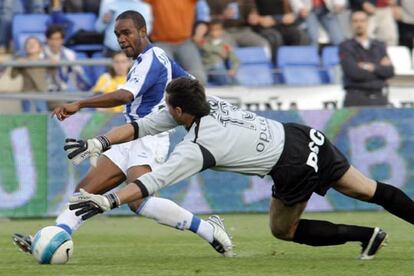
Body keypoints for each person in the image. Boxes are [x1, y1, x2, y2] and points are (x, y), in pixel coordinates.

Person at [67, 77, 414, 260]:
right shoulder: (210, 102)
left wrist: (108, 201)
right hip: (306, 137)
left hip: (291, 166)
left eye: (168, 107)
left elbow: (152, 182)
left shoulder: (200, 147)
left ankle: (365, 236)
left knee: (283, 230)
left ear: (177, 110)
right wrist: (100, 143)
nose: (165, 111)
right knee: (368, 189)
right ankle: (378, 233)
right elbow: (144, 125)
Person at [12, 10, 233, 258]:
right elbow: (192, 83)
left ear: (143, 31)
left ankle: (208, 229)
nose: (121, 39)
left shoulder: (153, 57)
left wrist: (80, 104)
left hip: (150, 138)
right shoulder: (152, 59)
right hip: (129, 136)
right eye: (117, 34)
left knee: (138, 202)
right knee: (85, 190)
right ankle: (51, 238)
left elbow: (125, 95)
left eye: (126, 32)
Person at [339, 10, 394, 107]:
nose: (359, 24)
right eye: (355, 21)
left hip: (378, 98)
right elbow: (353, 73)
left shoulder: (379, 45)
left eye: (362, 21)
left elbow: (389, 71)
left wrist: (371, 67)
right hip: (355, 98)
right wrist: (379, 69)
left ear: (368, 22)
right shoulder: (345, 46)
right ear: (351, 24)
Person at [145, 0, 207, 84]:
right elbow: (141, 8)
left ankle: (193, 96)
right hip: (161, 42)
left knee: (199, 77)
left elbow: (203, 14)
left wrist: (201, 26)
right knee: (163, 76)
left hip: (185, 42)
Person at [10, 36, 50, 112]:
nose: (31, 45)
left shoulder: (45, 61)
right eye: (28, 43)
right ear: (25, 48)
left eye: (34, 43)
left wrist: (52, 61)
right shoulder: (22, 60)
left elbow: (53, 72)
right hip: (26, 93)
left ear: (40, 48)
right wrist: (17, 64)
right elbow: (13, 76)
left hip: (41, 92)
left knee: (42, 114)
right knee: (27, 116)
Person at [198, 20, 240, 85]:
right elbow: (204, 46)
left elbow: (235, 60)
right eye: (212, 30)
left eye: (217, 30)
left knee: (234, 81)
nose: (215, 32)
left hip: (218, 69)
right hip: (205, 68)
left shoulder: (225, 45)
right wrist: (218, 50)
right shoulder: (204, 41)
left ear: (222, 31)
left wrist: (233, 69)